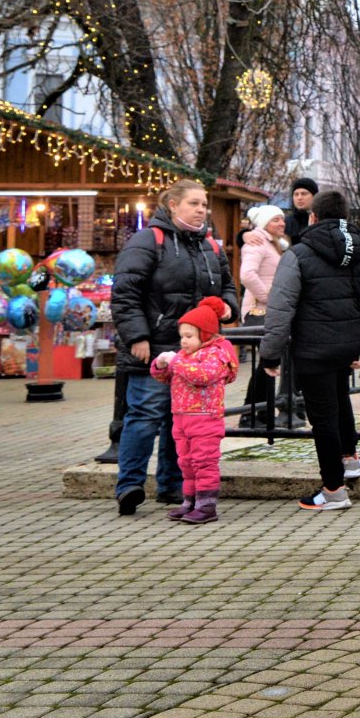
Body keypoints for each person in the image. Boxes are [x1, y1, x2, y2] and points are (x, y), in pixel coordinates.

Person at [110, 180, 237, 516]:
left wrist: (227, 308)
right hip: (155, 348)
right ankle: (130, 486)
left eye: (204, 204)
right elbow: (125, 293)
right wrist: (138, 337)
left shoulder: (210, 245)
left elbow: (228, 287)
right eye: (194, 203)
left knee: (179, 421)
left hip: (196, 355)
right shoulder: (148, 240)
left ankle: (173, 487)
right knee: (144, 415)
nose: (201, 210)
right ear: (172, 205)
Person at [260, 190, 360, 511]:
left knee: (323, 418)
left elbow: (280, 308)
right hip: (348, 346)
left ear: (313, 217)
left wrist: (270, 354)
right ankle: (350, 459)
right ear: (345, 217)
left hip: (312, 349)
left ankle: (333, 489)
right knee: (340, 398)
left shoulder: (299, 254)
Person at [152, 296, 236, 524]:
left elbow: (202, 376)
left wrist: (175, 362)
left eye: (189, 336)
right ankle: (189, 502)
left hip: (205, 417)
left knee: (204, 462)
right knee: (186, 463)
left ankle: (206, 505)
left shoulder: (217, 354)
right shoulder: (184, 356)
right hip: (181, 417)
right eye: (182, 337)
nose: (183, 342)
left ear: (206, 334)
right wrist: (159, 365)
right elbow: (166, 377)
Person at [237, 204, 289, 428]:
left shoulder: (275, 243)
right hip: (260, 310)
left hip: (272, 310)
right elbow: (247, 275)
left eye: (282, 219)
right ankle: (250, 413)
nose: (281, 223)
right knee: (265, 362)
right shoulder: (257, 242)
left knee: (268, 362)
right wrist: (268, 296)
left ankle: (262, 413)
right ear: (265, 222)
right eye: (276, 219)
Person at [283, 177, 317, 244]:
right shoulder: (285, 222)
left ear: (314, 196)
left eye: (304, 194)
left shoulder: (323, 220)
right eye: (296, 194)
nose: (299, 198)